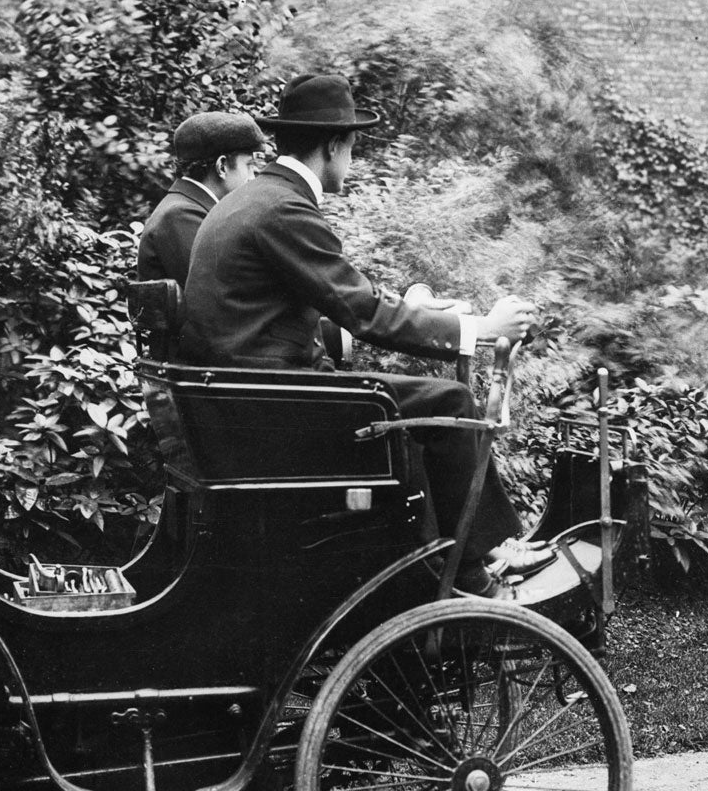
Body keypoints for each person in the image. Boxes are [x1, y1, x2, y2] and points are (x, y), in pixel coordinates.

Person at [180, 73, 538, 597]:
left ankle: (457, 560)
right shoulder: (282, 208)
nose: (352, 159)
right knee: (452, 400)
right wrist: (482, 329)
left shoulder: (254, 200)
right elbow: (364, 311)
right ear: (333, 146)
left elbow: (338, 299)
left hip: (249, 400)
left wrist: (408, 308)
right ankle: (473, 567)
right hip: (274, 408)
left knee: (417, 407)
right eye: (352, 148)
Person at [136, 111, 266, 285]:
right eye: (249, 165)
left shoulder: (190, 208)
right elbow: (224, 289)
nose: (253, 177)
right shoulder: (181, 215)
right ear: (222, 166)